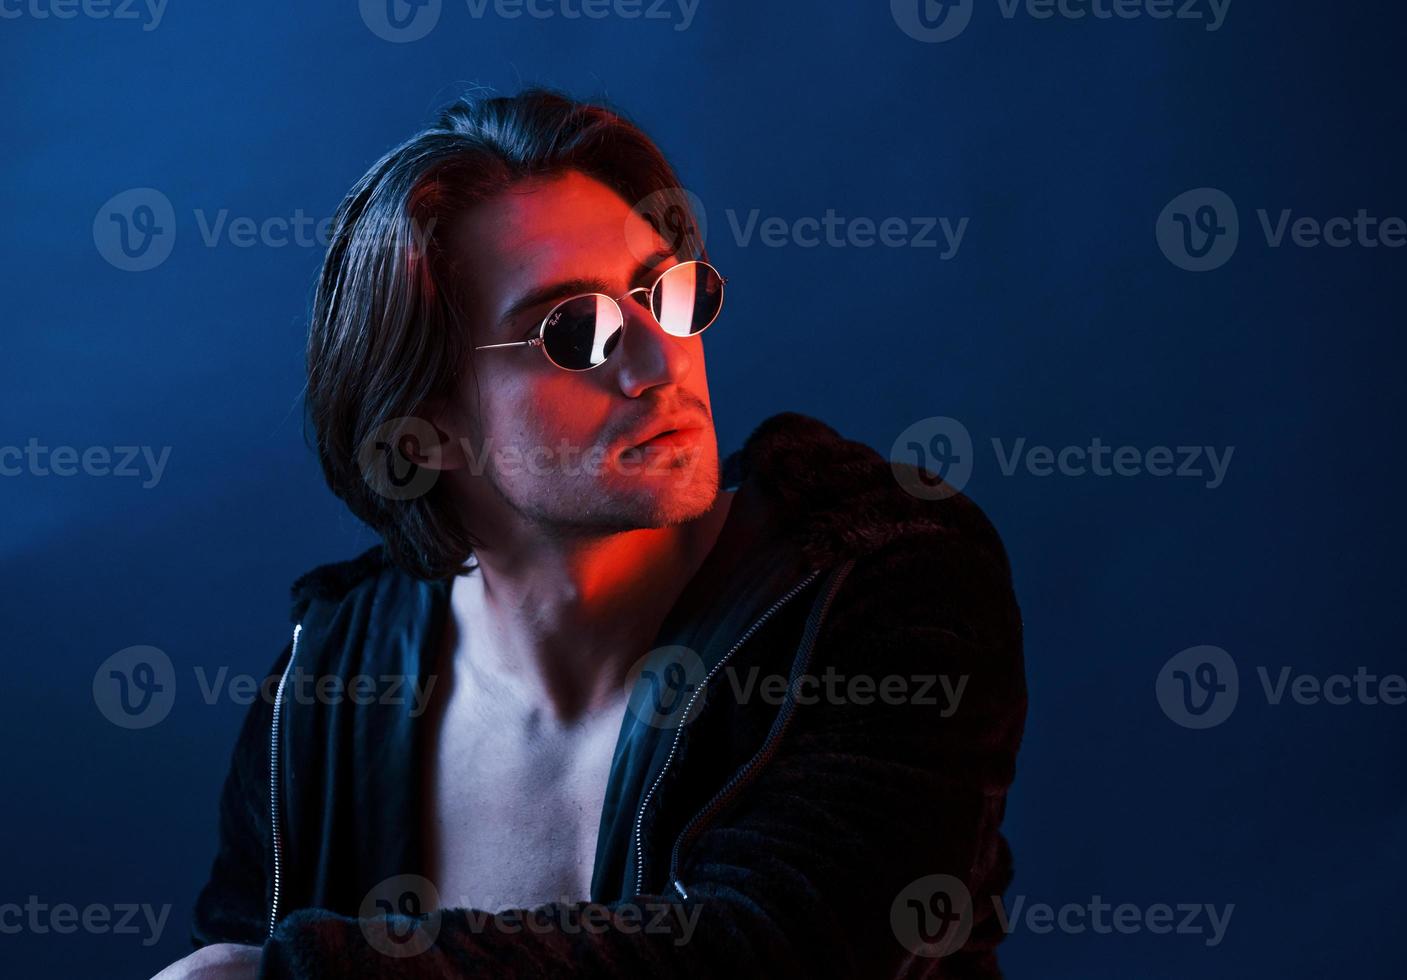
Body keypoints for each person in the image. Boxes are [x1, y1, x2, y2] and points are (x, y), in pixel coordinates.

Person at [153, 87, 1026, 979]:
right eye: (576, 330)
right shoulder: (328, 681)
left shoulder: (876, 580)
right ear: (426, 424)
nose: (661, 362)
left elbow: (786, 949)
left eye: (667, 292)